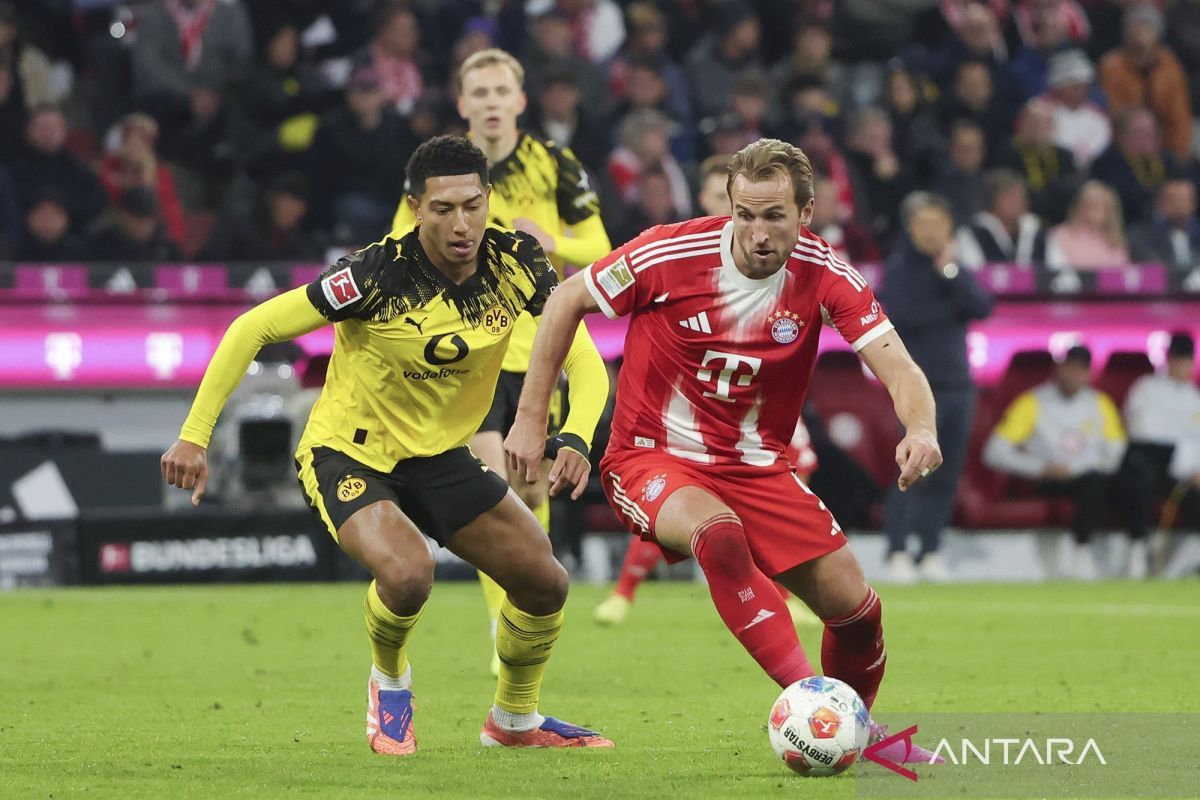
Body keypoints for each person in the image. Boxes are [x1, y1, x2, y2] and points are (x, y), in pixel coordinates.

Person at [161, 136, 614, 755]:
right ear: (414, 208)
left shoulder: (519, 264)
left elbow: (584, 361)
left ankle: (514, 722)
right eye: (443, 208)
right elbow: (254, 326)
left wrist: (575, 438)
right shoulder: (375, 273)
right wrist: (195, 434)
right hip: (349, 452)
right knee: (408, 573)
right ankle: (389, 680)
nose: (462, 224)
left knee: (545, 581)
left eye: (473, 205)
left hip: (440, 457)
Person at [505, 138, 946, 764]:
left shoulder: (826, 275)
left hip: (758, 466)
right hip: (650, 457)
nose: (758, 232)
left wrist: (921, 429)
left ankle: (848, 731)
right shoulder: (670, 251)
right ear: (730, 207)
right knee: (719, 535)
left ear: (807, 213)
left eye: (774, 216)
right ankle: (816, 707)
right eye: (745, 214)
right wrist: (531, 420)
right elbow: (564, 300)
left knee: (858, 614)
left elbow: (899, 369)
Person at [389, 49, 612, 676]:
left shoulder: (555, 163)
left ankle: (517, 608)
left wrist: (554, 244)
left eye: (500, 90)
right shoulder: (443, 171)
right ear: (462, 103)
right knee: (492, 484)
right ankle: (499, 624)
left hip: (540, 352)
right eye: (477, 91)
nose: (489, 101)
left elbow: (600, 246)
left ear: (519, 100)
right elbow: (394, 246)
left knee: (529, 488)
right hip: (469, 354)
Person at [983, 345, 1126, 580]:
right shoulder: (1032, 402)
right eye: (1069, 368)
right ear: (1059, 369)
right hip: (1046, 479)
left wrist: (1091, 465)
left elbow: (1116, 450)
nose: (1074, 376)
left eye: (1081, 370)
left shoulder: (1100, 404)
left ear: (1090, 373)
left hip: (1091, 477)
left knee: (1121, 482)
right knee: (1093, 485)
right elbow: (995, 452)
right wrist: (1040, 468)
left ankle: (1136, 554)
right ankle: (1082, 553)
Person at [1117, 332, 1200, 576]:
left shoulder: (1195, 398)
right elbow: (1142, 432)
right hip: (1148, 463)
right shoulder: (1146, 388)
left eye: (1188, 361)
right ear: (1168, 359)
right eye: (1178, 359)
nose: (1183, 366)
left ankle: (1183, 565)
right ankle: (1138, 551)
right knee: (1139, 481)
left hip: (1186, 474)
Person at [1046, 180, 1129, 269]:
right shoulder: (1059, 236)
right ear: (1079, 206)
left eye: (1099, 205)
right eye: (1088, 204)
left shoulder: (1115, 240)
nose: (1092, 210)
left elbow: (1122, 274)